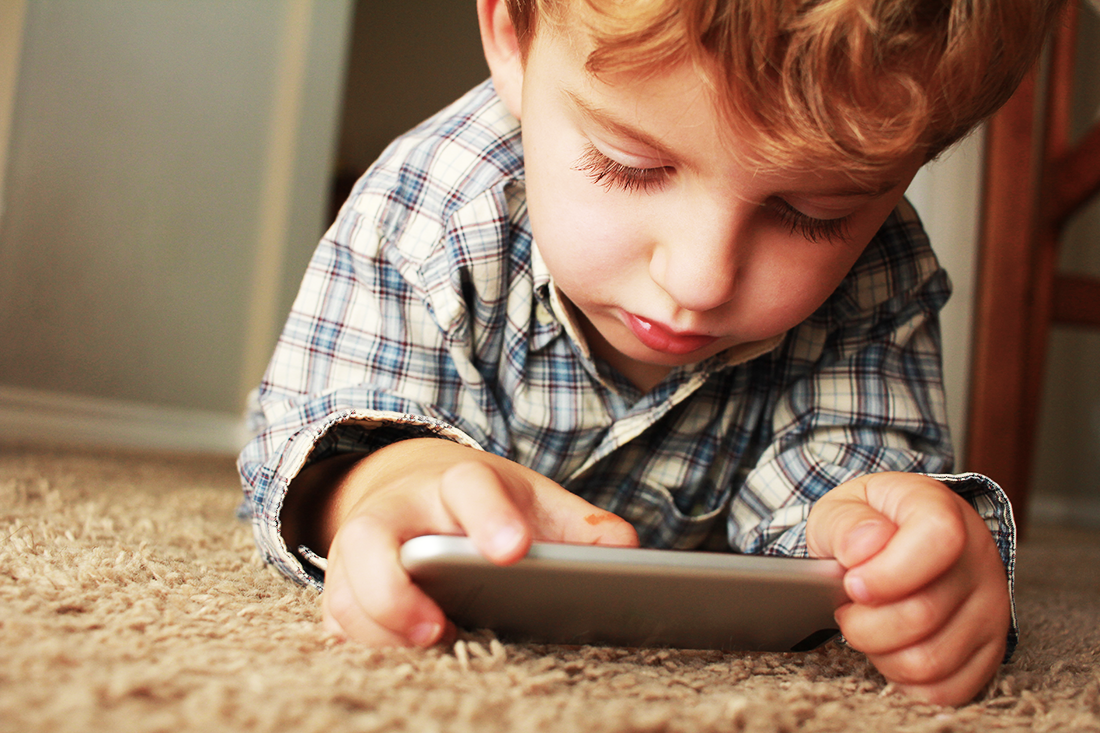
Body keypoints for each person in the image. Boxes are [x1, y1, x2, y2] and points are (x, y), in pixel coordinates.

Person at [238, 0, 1066, 706]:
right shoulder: (429, 208)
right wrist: (383, 480)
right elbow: (311, 433)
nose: (701, 278)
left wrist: (892, 549)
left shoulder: (878, 268)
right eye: (632, 166)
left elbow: (844, 478)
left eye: (812, 213)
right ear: (513, 40)